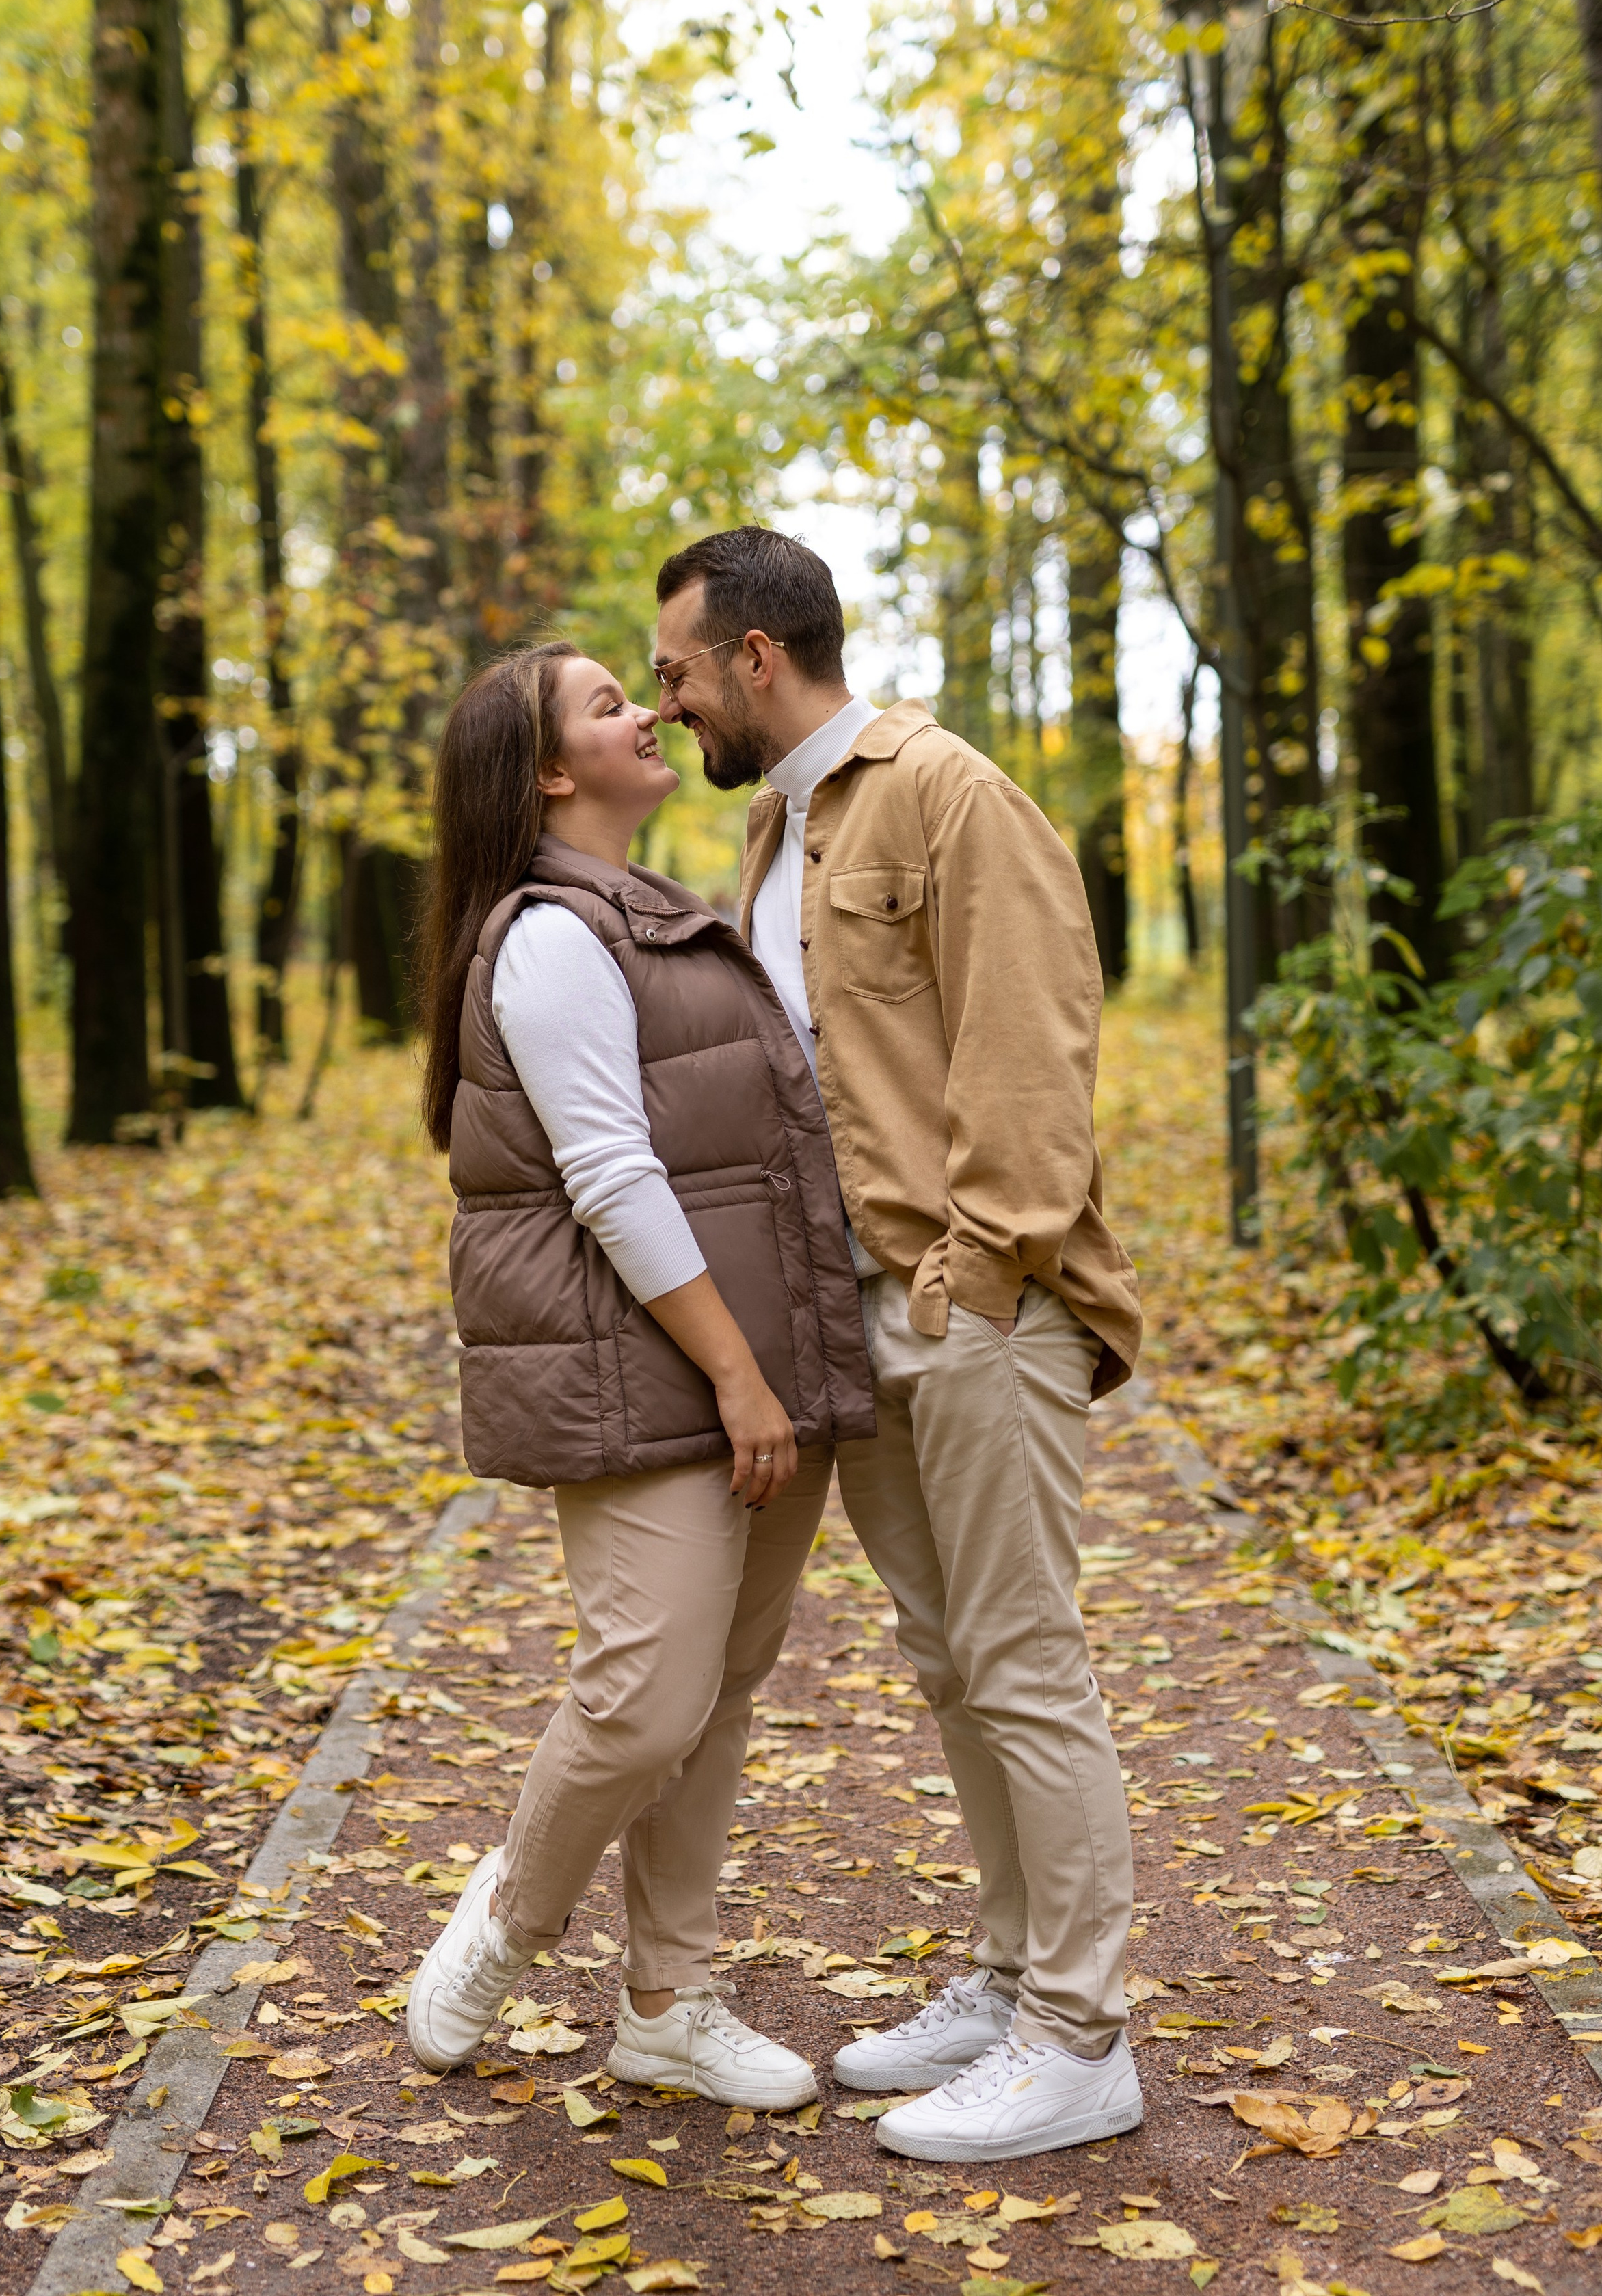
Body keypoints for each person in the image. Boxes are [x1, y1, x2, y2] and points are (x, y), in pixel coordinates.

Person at [652, 526, 1146, 2164]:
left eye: (675, 672)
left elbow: (1031, 1046)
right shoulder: (775, 825)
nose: (664, 706)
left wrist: (977, 1274)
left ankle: (1079, 2037)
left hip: (973, 1306)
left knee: (1021, 1659)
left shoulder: (945, 793)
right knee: (950, 1663)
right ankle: (1009, 1983)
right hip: (862, 1315)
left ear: (756, 657)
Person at [403, 639, 875, 2108]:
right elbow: (611, 1177)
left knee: (716, 1694)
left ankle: (668, 2001)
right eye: (610, 705)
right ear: (551, 773)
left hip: (748, 1361)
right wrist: (739, 1376)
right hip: (652, 1373)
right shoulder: (552, 935)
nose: (651, 712)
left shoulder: (652, 907)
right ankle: (508, 1918)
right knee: (645, 1700)